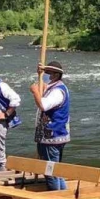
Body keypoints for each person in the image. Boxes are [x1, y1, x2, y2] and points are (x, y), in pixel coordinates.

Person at [30, 62, 69, 190]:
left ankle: (56, 196)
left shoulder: (58, 91)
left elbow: (43, 105)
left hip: (52, 136)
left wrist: (35, 92)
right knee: (56, 169)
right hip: (55, 134)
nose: (47, 75)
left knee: (50, 170)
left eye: (49, 73)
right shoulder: (56, 87)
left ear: (56, 75)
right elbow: (45, 87)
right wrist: (40, 74)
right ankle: (63, 194)